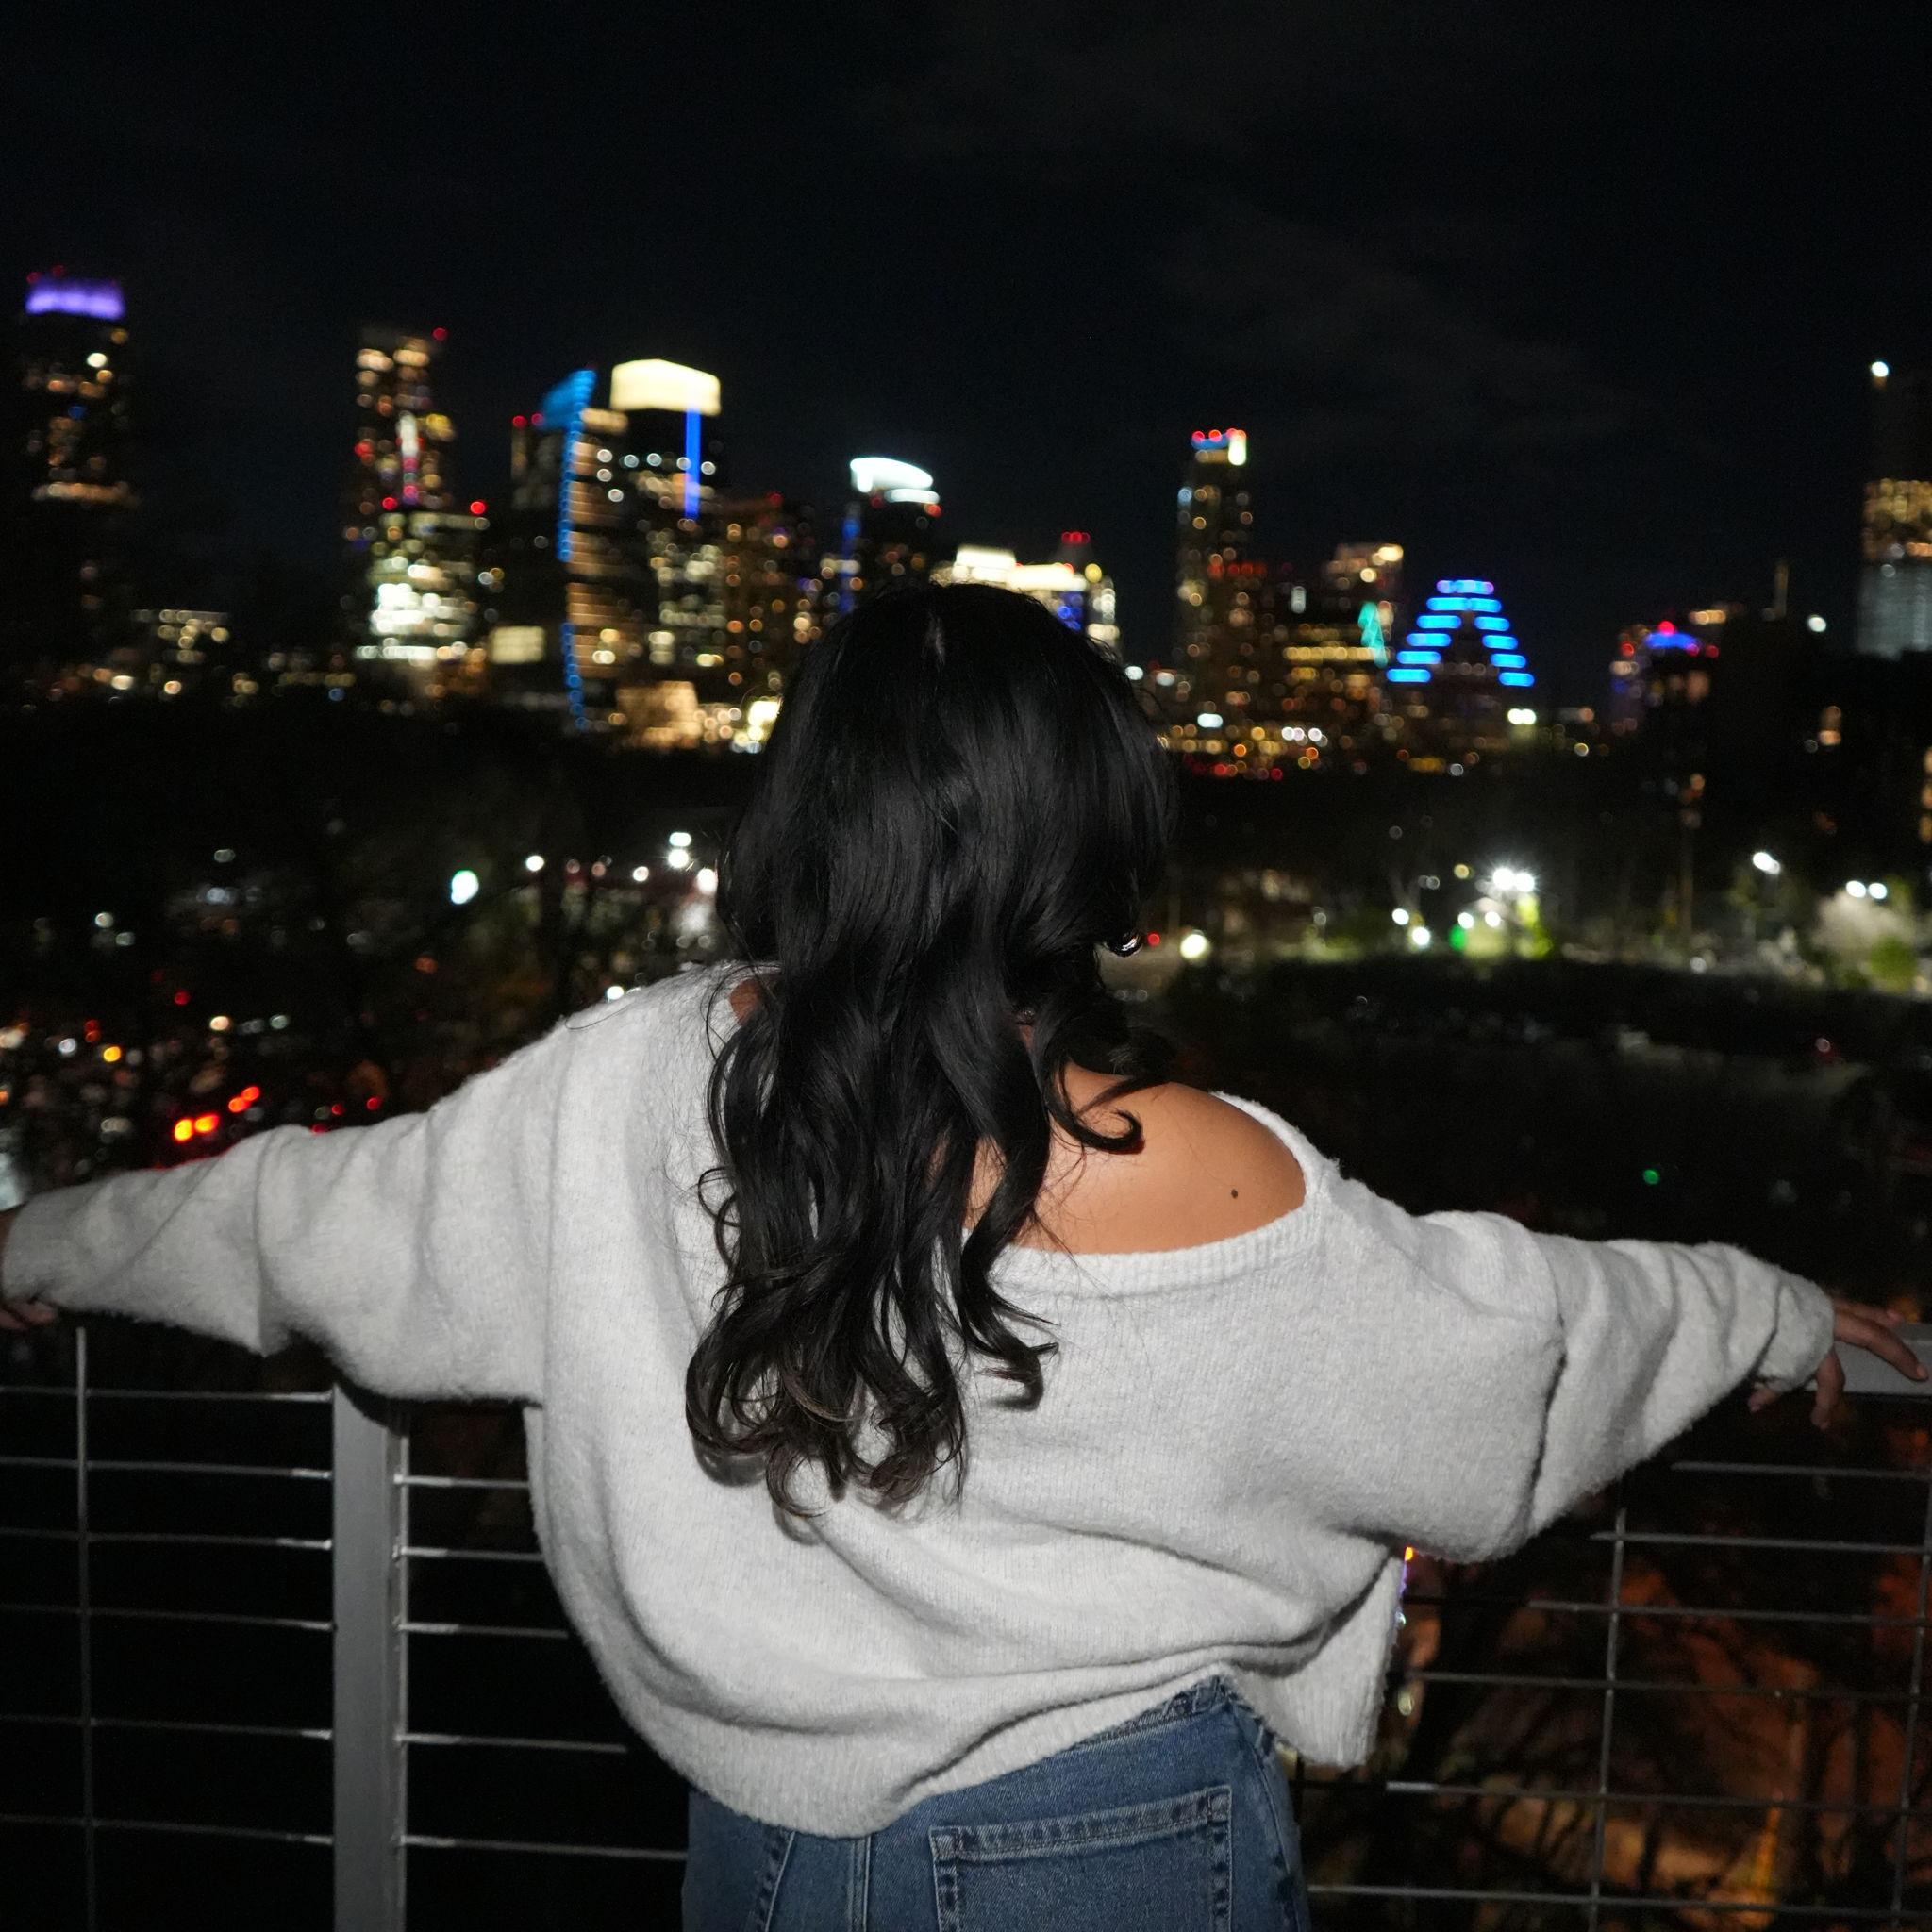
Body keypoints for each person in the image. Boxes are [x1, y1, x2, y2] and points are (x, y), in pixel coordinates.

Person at [0, 583, 1921, 1932]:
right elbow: (1524, 1355)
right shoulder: (1188, 1170)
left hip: (750, 1853)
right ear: (1083, 841)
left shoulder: (617, 1093)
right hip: (1107, 1849)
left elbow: (288, 1221)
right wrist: (1761, 1306)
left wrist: (44, 1240)